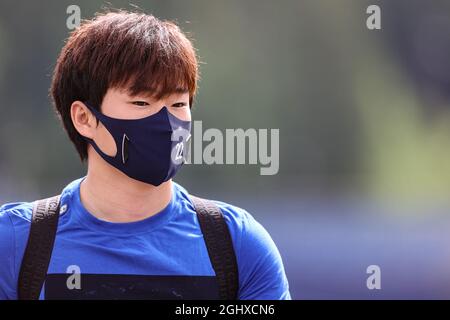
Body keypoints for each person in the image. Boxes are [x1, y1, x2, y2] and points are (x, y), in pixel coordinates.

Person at [0, 10, 290, 300]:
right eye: (141, 102)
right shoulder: (16, 244)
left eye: (178, 103)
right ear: (84, 118)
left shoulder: (237, 247)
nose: (165, 121)